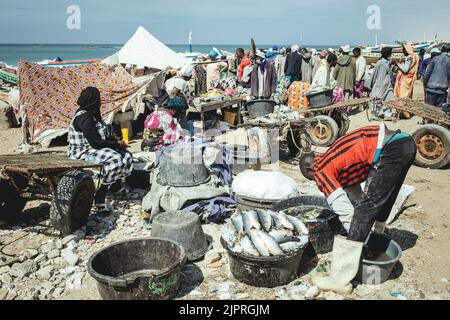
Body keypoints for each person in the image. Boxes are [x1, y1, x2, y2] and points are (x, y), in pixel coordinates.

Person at [299, 123, 416, 294]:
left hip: (390, 148)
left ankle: (339, 279)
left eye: (311, 179)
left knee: (364, 211)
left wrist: (360, 239)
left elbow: (349, 212)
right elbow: (359, 196)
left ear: (310, 168)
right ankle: (380, 233)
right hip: (406, 143)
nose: (315, 182)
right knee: (384, 197)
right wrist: (368, 231)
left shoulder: (320, 169)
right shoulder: (337, 159)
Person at [68, 87, 133, 215]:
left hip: (93, 147)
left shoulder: (93, 115)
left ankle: (115, 187)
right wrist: (116, 144)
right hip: (82, 151)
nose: (100, 102)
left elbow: (102, 137)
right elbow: (96, 143)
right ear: (94, 101)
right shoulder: (84, 118)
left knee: (126, 156)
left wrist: (117, 143)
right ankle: (100, 197)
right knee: (115, 160)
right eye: (99, 100)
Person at [164, 64, 194, 130]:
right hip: (179, 106)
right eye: (191, 75)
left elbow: (166, 88)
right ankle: (183, 134)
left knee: (171, 122)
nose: (191, 76)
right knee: (182, 121)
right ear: (188, 75)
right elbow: (187, 97)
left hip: (169, 104)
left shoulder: (171, 79)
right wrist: (192, 103)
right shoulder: (183, 82)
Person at [394, 44, 420, 118]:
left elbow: (405, 69)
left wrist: (398, 64)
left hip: (405, 80)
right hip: (410, 79)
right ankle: (407, 112)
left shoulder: (409, 57)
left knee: (402, 96)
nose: (403, 52)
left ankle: (405, 113)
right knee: (408, 95)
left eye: (404, 50)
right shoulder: (415, 56)